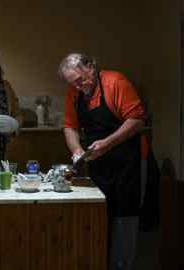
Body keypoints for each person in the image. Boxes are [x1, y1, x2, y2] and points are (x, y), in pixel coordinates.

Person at [58, 53, 147, 270]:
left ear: (91, 66)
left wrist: (107, 143)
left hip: (129, 162)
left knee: (124, 218)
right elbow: (70, 126)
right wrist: (77, 150)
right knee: (99, 216)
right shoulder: (75, 93)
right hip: (99, 163)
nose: (78, 87)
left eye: (80, 80)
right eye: (73, 83)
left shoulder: (115, 82)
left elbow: (136, 120)